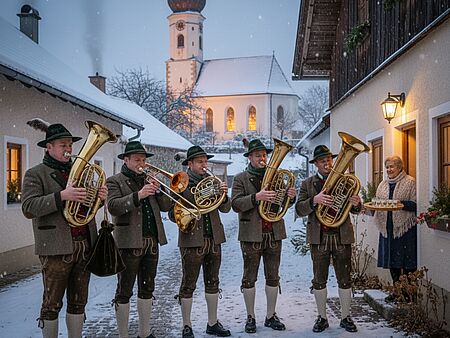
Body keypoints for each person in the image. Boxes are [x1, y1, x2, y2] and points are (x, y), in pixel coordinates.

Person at [22, 122, 108, 338]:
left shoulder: (79, 172)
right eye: (63, 145)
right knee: (52, 304)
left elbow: (86, 205)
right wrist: (61, 196)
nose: (69, 149)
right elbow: (28, 207)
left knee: (79, 302)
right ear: (48, 147)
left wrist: (99, 198)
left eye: (70, 144)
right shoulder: (35, 174)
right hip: (56, 248)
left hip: (84, 244)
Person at [106, 141, 172, 338]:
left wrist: (160, 190)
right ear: (126, 160)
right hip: (128, 242)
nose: (141, 163)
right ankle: (123, 334)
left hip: (151, 242)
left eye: (143, 159)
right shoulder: (114, 181)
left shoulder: (150, 180)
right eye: (137, 159)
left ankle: (144, 333)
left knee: (147, 289)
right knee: (124, 290)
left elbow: (168, 206)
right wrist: (138, 195)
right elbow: (113, 207)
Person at [231, 139, 297, 334]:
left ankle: (270, 315)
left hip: (273, 232)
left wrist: (289, 197)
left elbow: (281, 205)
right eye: (258, 155)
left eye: (264, 155)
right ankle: (250, 316)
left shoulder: (277, 176)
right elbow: (235, 204)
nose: (262, 158)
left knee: (273, 277)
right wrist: (256, 197)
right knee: (249, 277)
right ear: (249, 157)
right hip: (251, 234)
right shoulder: (240, 178)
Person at [295, 145, 360, 333]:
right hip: (319, 236)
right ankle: (322, 317)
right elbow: (299, 209)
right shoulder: (308, 184)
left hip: (341, 235)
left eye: (329, 160)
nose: (327, 163)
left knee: (345, 278)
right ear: (316, 164)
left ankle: (346, 317)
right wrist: (315, 201)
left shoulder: (345, 182)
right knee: (319, 279)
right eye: (322, 160)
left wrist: (356, 203)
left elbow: (354, 209)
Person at [170, 145, 231, 338]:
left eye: (206, 161)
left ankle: (212, 322)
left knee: (213, 282)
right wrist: (189, 209)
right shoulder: (181, 182)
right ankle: (186, 325)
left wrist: (223, 194)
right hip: (191, 239)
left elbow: (226, 209)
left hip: (213, 237)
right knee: (188, 284)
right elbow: (173, 214)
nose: (204, 165)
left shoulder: (212, 182)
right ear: (190, 164)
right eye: (200, 162)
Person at [374, 156, 417, 286]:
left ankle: (407, 293)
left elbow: (415, 204)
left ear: (399, 167)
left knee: (406, 260)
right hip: (387, 228)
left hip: (404, 228)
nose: (389, 169)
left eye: (392, 166)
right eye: (387, 167)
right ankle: (397, 290)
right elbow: (378, 202)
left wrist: (401, 203)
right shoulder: (383, 184)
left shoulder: (410, 182)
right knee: (391, 260)